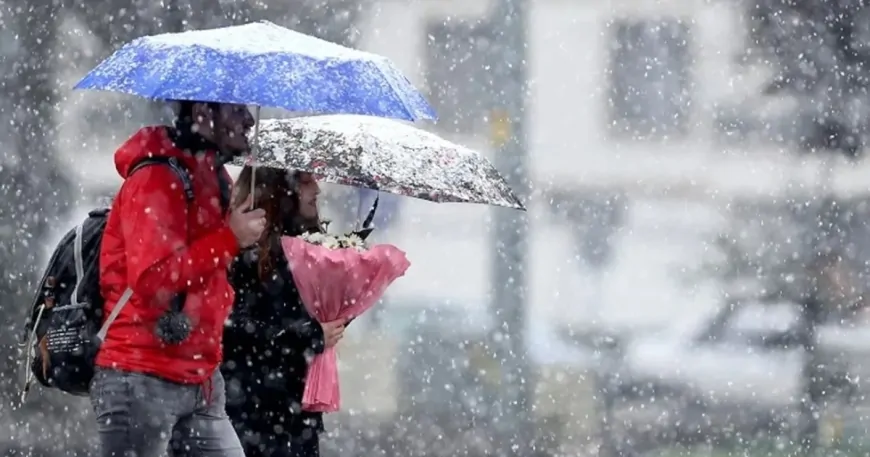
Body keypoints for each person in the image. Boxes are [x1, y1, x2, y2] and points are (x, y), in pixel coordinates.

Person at [93, 101, 265, 457]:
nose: (249, 119)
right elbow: (152, 280)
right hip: (140, 376)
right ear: (204, 110)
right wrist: (229, 239)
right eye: (236, 110)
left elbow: (207, 274)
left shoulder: (213, 177)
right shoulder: (156, 178)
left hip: (200, 379)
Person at [222, 166, 347, 457]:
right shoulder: (243, 250)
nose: (317, 190)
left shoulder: (312, 248)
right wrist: (309, 335)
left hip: (296, 413)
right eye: (306, 181)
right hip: (249, 411)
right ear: (281, 187)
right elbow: (230, 327)